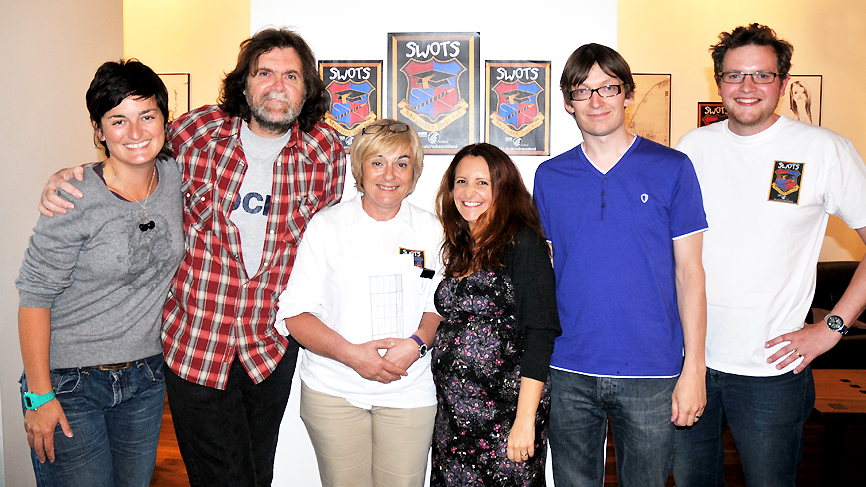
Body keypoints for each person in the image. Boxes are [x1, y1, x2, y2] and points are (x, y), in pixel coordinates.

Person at [38, 28, 347, 487]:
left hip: (270, 348)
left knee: (257, 473)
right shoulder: (196, 131)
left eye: (292, 76)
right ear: (244, 83)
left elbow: (331, 241)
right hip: (195, 343)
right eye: (264, 73)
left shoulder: (327, 154)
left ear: (307, 90)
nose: (277, 85)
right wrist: (72, 175)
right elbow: (133, 155)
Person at [673, 23, 866, 487]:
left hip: (771, 373)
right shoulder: (693, 148)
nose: (747, 87)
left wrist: (831, 329)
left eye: (762, 75)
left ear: (783, 82)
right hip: (690, 360)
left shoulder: (823, 150)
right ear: (718, 81)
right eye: (735, 75)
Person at [533, 43, 708, 487]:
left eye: (608, 88)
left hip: (653, 370)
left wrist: (695, 368)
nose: (596, 101)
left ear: (628, 95)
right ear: (568, 103)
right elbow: (546, 271)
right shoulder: (550, 177)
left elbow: (690, 274)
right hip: (569, 365)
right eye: (582, 90)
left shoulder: (672, 168)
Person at [17, 59, 184, 487]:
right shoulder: (73, 195)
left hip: (145, 379)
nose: (136, 133)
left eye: (147, 116)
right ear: (99, 129)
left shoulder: (178, 178)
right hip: (70, 384)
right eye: (118, 120)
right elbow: (35, 297)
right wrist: (39, 396)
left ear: (165, 119)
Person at [276, 119, 441, 487]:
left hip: (408, 391)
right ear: (359, 167)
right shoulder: (326, 227)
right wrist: (354, 356)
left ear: (414, 171)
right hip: (335, 393)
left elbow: (435, 302)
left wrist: (416, 346)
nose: (389, 174)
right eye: (377, 161)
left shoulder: (431, 230)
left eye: (402, 162)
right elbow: (296, 314)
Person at [431, 143, 561, 486]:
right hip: (454, 419)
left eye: (482, 183)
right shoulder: (459, 243)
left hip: (505, 417)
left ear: (503, 187)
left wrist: (525, 420)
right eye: (460, 182)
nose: (469, 192)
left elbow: (540, 332)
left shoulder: (523, 242)